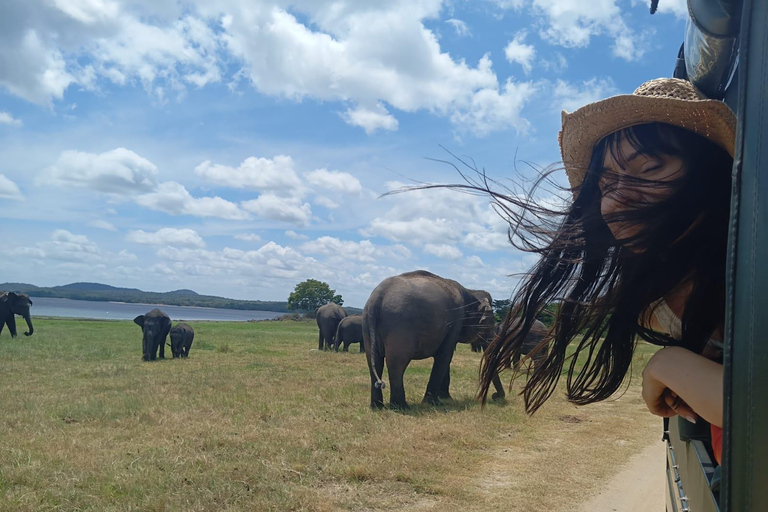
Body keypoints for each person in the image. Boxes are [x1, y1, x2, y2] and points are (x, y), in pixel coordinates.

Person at [478, 78, 735, 465]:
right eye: (606, 184)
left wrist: (669, 365)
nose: (616, 200)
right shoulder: (655, 306)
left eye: (648, 167)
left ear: (711, 170)